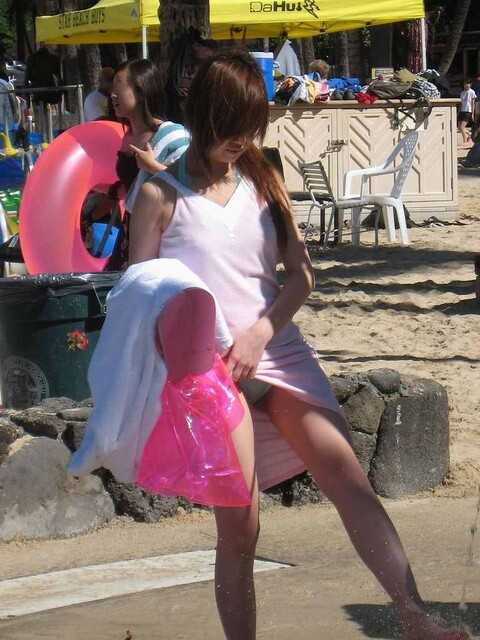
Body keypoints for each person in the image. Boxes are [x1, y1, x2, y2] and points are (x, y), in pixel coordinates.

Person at [129, 50, 470, 640]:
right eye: (230, 125)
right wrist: (185, 369)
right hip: (210, 373)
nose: (241, 140)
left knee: (347, 479)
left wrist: (261, 333)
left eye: (252, 126)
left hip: (277, 350)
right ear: (203, 113)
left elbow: (302, 275)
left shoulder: (264, 178)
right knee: (241, 528)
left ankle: (414, 615)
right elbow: (142, 297)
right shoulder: (159, 196)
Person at [103, 58, 190, 271]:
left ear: (141, 92)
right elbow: (131, 185)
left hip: (162, 234)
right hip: (131, 229)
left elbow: (193, 185)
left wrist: (152, 167)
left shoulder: (171, 135)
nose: (113, 95)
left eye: (119, 86)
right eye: (112, 88)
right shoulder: (128, 135)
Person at [458, 79, 476, 146]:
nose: (466, 85)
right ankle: (470, 134)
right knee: (459, 127)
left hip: (468, 110)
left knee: (462, 127)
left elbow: (472, 103)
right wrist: (458, 111)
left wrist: (473, 113)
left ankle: (465, 141)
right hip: (462, 110)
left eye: (467, 84)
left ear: (470, 84)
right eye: (465, 84)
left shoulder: (472, 92)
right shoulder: (462, 92)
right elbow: (461, 103)